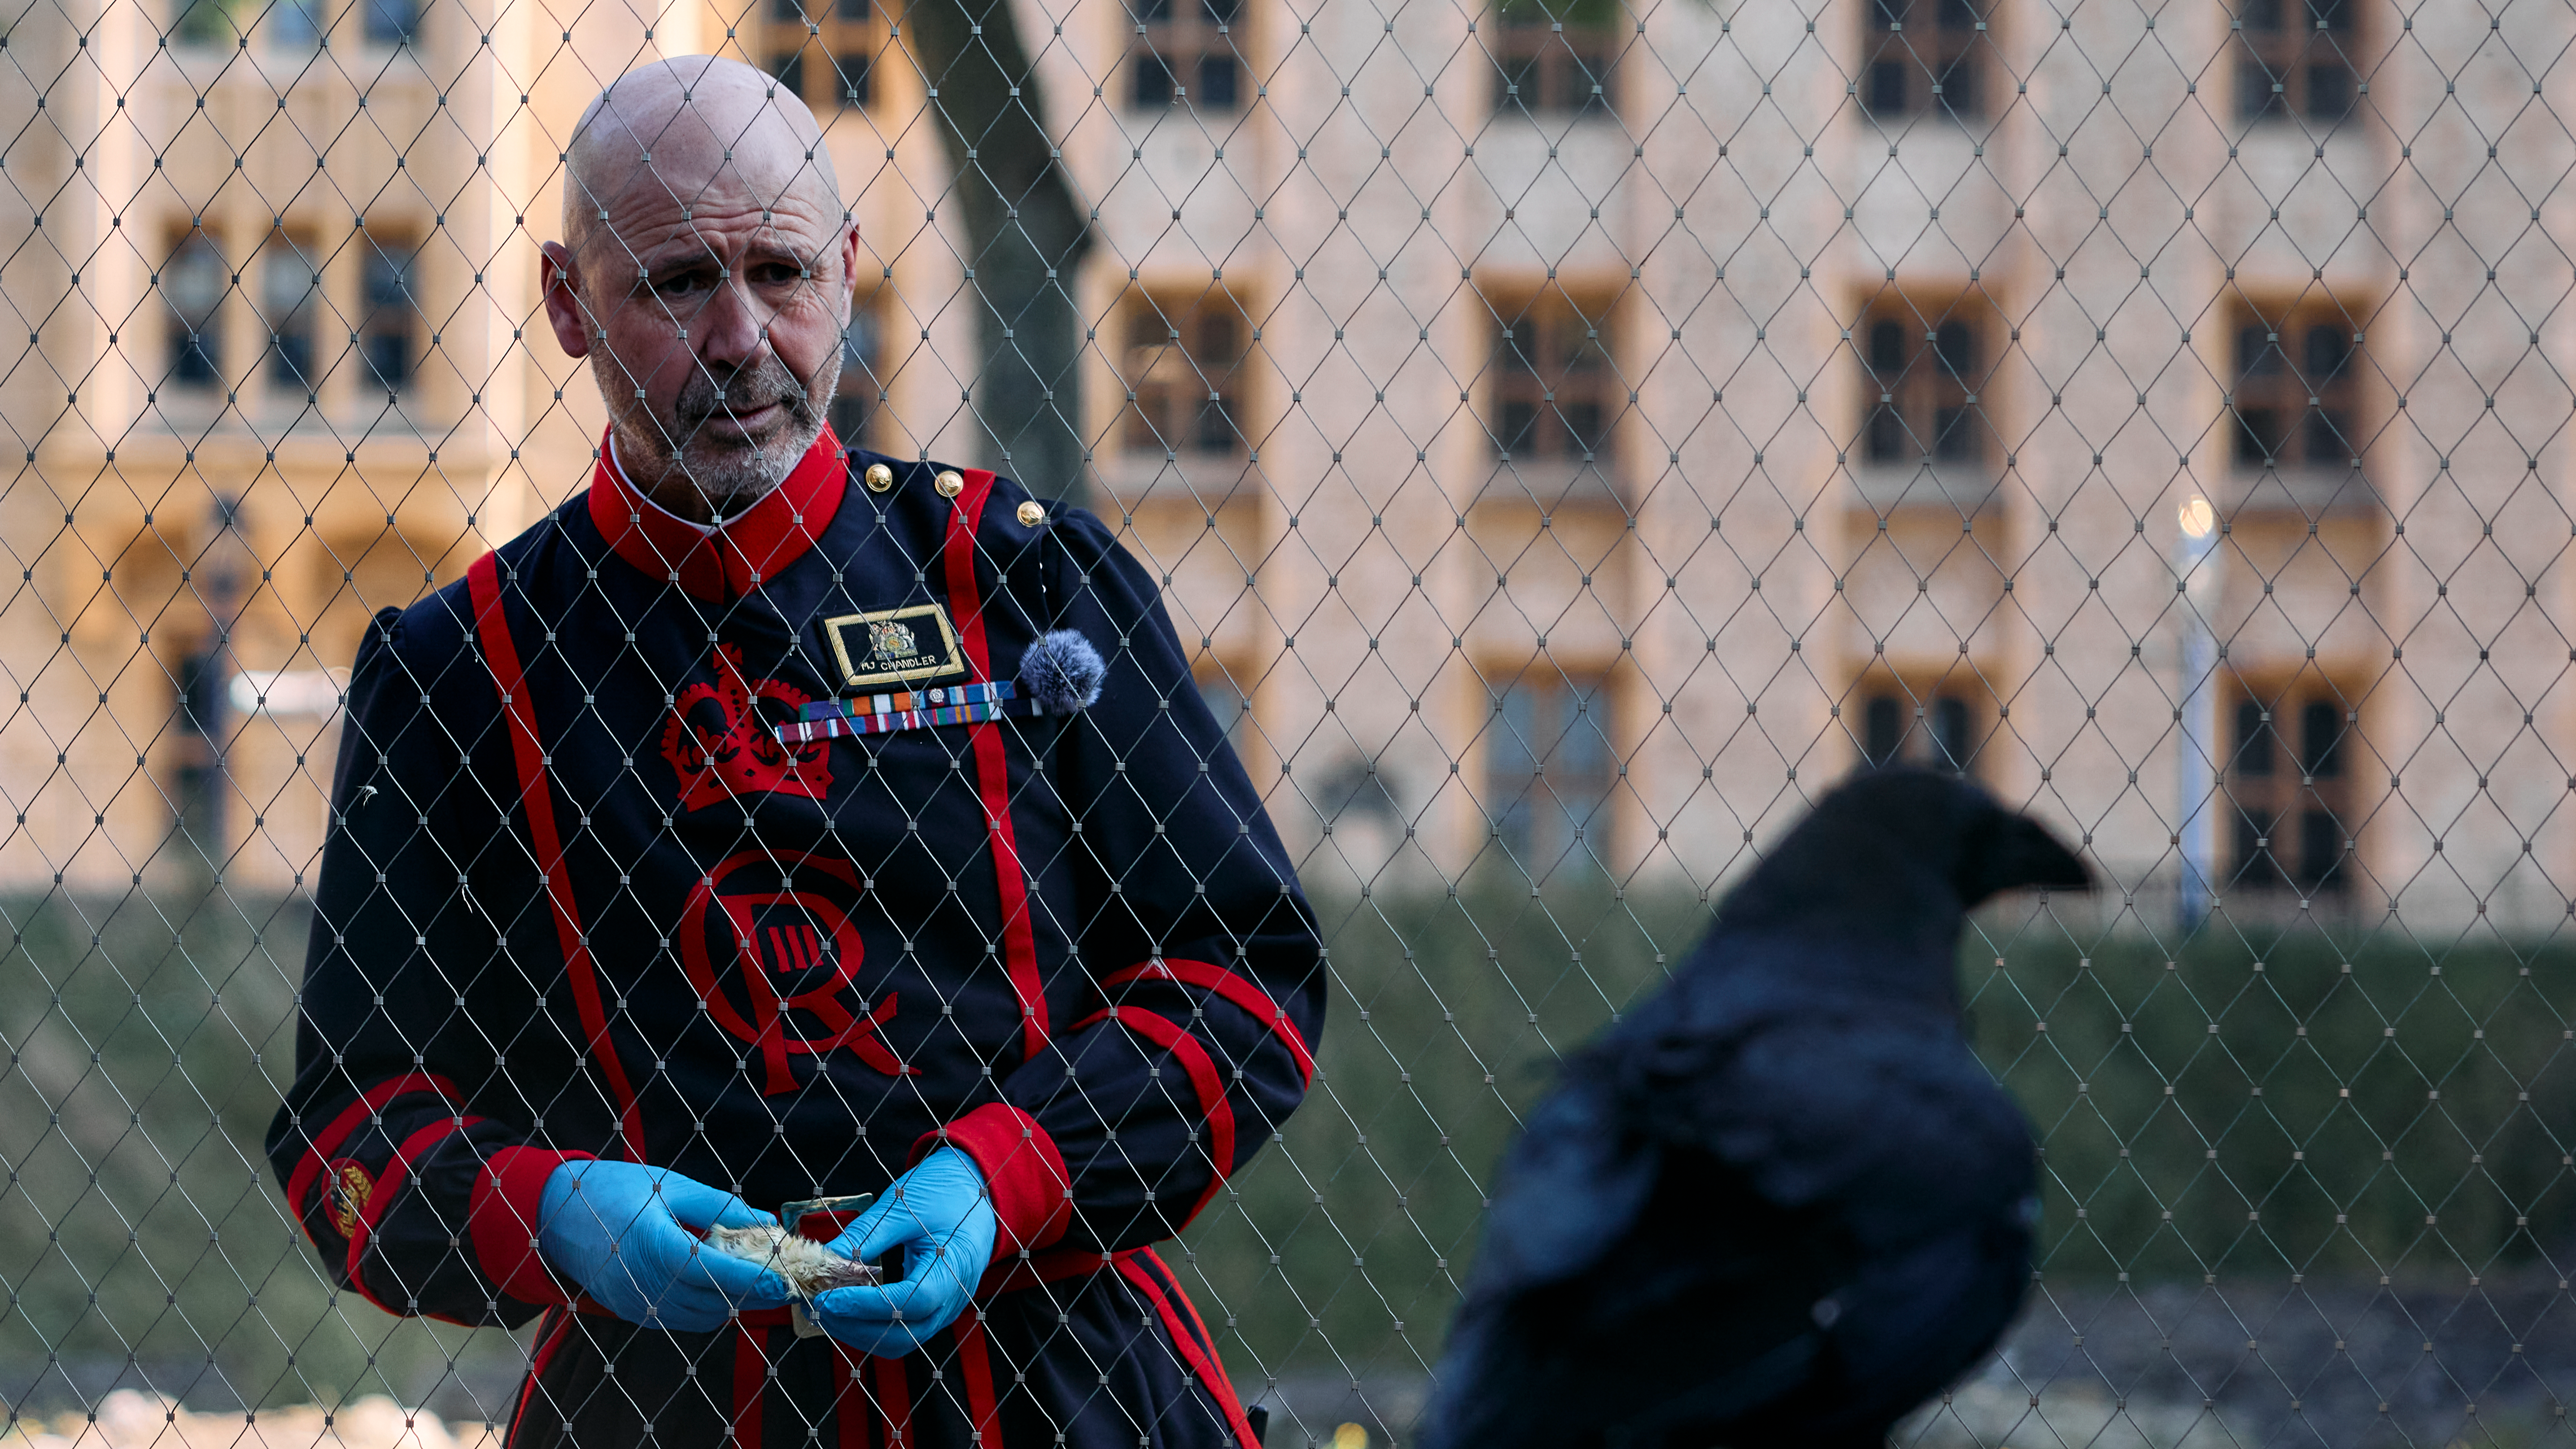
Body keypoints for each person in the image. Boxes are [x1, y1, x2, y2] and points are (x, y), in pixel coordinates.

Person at [264, 54, 1324, 1449]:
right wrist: (555, 1215)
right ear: (569, 306)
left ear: (848, 266)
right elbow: (352, 1129)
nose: (742, 337)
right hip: (656, 1409)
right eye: (676, 285)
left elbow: (1245, 983)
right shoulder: (457, 671)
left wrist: (1008, 1171)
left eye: (780, 271)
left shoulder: (1029, 585)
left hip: (1066, 1396)